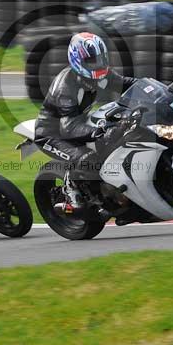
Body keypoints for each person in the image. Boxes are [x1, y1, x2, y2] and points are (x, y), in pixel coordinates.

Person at [34, 32, 137, 213]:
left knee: (119, 137)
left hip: (79, 122)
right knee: (89, 160)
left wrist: (153, 87)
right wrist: (99, 130)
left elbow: (124, 83)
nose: (97, 64)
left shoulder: (100, 75)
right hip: (53, 134)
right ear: (77, 59)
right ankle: (72, 193)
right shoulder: (65, 87)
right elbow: (68, 128)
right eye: (91, 60)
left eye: (100, 58)